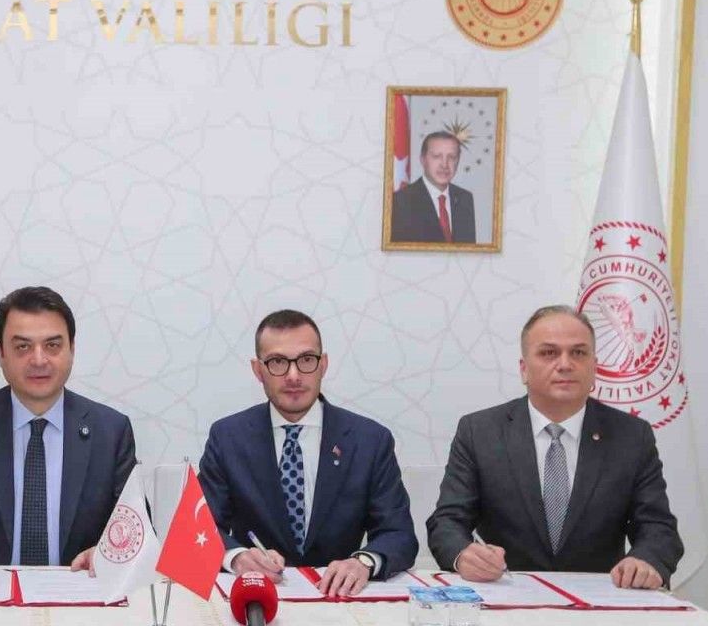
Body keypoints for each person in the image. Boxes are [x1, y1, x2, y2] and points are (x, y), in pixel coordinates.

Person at [426, 305, 683, 588]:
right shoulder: (480, 432)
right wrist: (463, 554)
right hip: (506, 594)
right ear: (524, 369)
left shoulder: (632, 436)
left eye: (578, 353)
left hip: (599, 599)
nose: (565, 364)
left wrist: (646, 560)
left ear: (595, 367)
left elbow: (658, 527)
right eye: (549, 353)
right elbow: (447, 521)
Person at [0, 286, 136, 580]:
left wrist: (109, 553)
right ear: (1, 354)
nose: (39, 360)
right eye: (23, 347)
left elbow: (137, 529)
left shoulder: (111, 431)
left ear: (72, 349)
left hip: (79, 594)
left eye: (52, 345)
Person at [198, 309, 417, 598]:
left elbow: (399, 534)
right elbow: (199, 527)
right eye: (277, 362)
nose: (293, 376)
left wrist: (363, 562)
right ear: (258, 370)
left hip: (341, 599)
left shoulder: (370, 440)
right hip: (259, 598)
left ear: (323, 364)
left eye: (306, 360)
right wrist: (237, 557)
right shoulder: (228, 437)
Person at [390, 131, 476, 243]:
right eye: (437, 156)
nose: (444, 164)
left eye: (451, 157)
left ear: (458, 161)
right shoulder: (400, 202)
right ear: (423, 159)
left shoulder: (465, 199)